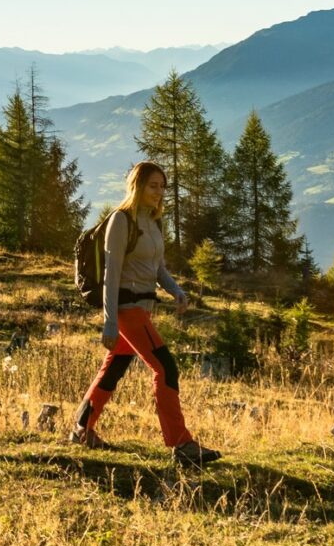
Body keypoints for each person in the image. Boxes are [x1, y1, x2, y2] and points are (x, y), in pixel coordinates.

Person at [70, 161, 222, 467]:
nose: (159, 192)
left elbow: (158, 269)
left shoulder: (154, 221)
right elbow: (112, 273)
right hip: (127, 309)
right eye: (153, 186)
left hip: (144, 308)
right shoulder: (121, 220)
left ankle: (81, 429)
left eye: (163, 186)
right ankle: (181, 444)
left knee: (112, 370)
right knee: (165, 368)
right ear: (137, 186)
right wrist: (110, 321)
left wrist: (176, 290)